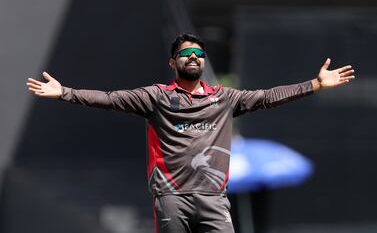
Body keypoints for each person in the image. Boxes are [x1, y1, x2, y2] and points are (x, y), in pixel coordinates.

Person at [26, 33, 355, 233]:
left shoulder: (224, 98)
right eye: (186, 54)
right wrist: (65, 92)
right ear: (173, 62)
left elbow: (267, 97)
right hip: (172, 199)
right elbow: (110, 100)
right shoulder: (156, 97)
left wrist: (313, 85)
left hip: (213, 199)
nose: (194, 58)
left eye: (199, 54)